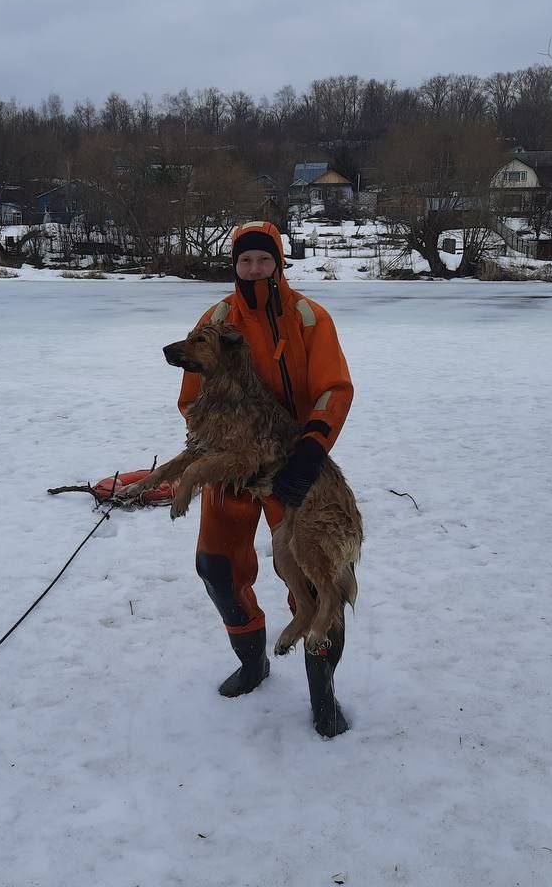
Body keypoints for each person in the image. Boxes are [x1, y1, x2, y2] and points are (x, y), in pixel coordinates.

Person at [176, 220, 355, 737]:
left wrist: (309, 454)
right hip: (233, 467)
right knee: (216, 566)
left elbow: (334, 390)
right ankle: (253, 660)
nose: (254, 269)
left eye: (263, 259)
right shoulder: (214, 320)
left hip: (293, 468)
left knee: (317, 580)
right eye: (245, 261)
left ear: (278, 262)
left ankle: (323, 695)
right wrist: (214, 443)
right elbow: (194, 397)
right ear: (234, 265)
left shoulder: (309, 317)